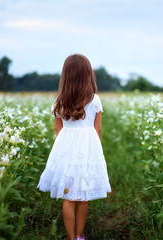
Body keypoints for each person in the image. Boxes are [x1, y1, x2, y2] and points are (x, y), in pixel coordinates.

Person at [36, 54, 112, 240]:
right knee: (82, 195)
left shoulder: (59, 101)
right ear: (88, 75)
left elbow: (57, 129)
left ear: (66, 76)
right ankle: (79, 236)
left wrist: (64, 149)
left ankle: (70, 238)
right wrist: (93, 149)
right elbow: (98, 129)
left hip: (65, 149)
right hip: (87, 150)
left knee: (68, 195)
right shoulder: (94, 100)